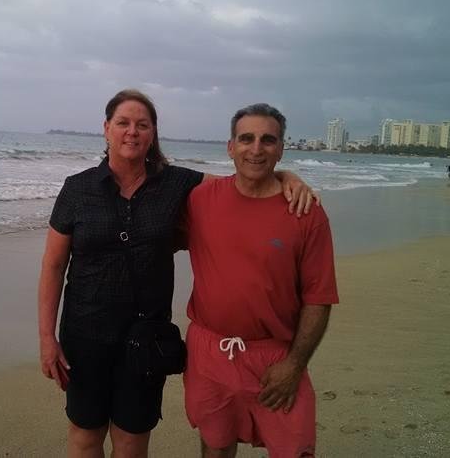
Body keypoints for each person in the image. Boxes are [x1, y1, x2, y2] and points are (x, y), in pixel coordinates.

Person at [38, 90, 316, 457]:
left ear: (153, 133)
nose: (132, 132)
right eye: (123, 123)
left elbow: (241, 180)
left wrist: (285, 175)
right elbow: (53, 266)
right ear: (106, 129)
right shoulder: (77, 189)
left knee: (132, 442)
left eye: (142, 124)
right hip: (85, 335)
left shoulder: (176, 184)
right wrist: (47, 337)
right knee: (85, 436)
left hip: (146, 338)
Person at [183, 103, 338, 457]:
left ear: (281, 149)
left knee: (294, 449)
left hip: (276, 356)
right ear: (230, 147)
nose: (256, 149)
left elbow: (319, 298)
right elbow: (145, 182)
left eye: (268, 140)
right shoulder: (199, 199)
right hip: (209, 352)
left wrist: (295, 365)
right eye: (246, 139)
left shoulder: (305, 212)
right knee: (216, 445)